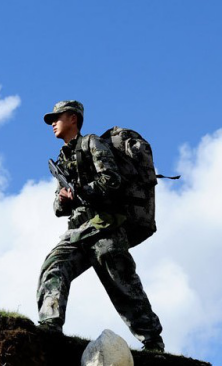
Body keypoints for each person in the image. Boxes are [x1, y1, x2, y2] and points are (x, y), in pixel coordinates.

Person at [36, 100, 165, 352]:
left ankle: (152, 341)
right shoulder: (63, 159)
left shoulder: (92, 143)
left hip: (106, 225)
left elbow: (112, 181)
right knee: (54, 265)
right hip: (80, 229)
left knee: (121, 282)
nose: (53, 123)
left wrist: (82, 191)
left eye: (57, 117)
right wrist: (62, 199)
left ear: (73, 118)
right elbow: (58, 209)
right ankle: (50, 325)